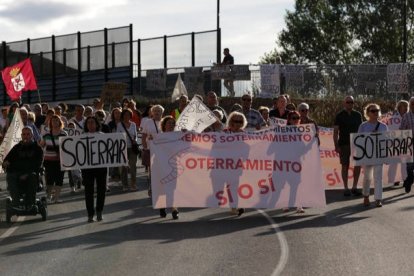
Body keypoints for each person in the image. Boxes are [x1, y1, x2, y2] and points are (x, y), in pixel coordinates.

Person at [3, 127, 43, 210]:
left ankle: (30, 204)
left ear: (32, 135)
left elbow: (38, 165)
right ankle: (16, 203)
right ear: (21, 135)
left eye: (28, 134)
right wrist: (6, 162)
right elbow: (7, 159)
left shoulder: (37, 148)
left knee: (32, 176)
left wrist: (27, 174)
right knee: (10, 176)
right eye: (24, 134)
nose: (26, 136)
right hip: (16, 172)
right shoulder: (16, 147)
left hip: (31, 172)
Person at [358, 103, 388, 207]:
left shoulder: (384, 126)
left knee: (378, 177)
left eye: (377, 110)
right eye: (373, 111)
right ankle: (366, 196)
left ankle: (378, 199)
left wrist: (387, 156)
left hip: (379, 155)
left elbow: (386, 142)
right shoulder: (363, 126)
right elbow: (358, 141)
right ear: (368, 113)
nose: (375, 112)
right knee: (367, 177)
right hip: (367, 155)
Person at [333, 96, 362, 196]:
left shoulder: (358, 115)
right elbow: (335, 132)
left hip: (357, 144)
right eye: (348, 102)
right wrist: (336, 145)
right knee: (345, 165)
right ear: (344, 103)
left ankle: (355, 186)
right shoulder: (339, 115)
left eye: (351, 102)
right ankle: (346, 187)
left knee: (357, 165)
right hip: (344, 144)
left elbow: (361, 130)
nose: (350, 104)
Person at [82, 116, 108, 222]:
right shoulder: (82, 136)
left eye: (92, 122)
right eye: (88, 123)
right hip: (87, 168)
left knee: (101, 190)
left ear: (97, 124)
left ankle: (99, 211)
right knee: (89, 191)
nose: (90, 125)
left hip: (101, 167)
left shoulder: (103, 136)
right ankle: (90, 214)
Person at [39, 115, 67, 203]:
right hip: (48, 161)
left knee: (59, 179)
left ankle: (56, 198)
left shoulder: (64, 134)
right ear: (50, 123)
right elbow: (41, 146)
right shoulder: (46, 134)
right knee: (49, 179)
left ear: (60, 122)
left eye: (56, 120)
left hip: (61, 161)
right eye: (53, 121)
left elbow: (68, 147)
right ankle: (48, 196)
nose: (55, 122)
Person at [224, 111, 247, 216]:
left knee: (236, 185)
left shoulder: (245, 134)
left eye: (240, 121)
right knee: (230, 186)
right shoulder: (224, 133)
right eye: (235, 121)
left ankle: (236, 205)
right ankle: (233, 205)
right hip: (224, 164)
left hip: (239, 164)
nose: (237, 123)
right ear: (231, 121)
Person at [158, 115, 180, 220]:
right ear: (164, 125)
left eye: (173, 123)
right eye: (169, 123)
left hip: (174, 165)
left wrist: (186, 133)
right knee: (163, 188)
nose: (171, 125)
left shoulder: (178, 135)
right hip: (161, 165)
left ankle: (174, 209)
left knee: (173, 189)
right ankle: (162, 206)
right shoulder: (159, 137)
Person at [141, 105, 164, 196]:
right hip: (151, 149)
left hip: (163, 151)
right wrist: (145, 147)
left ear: (162, 113)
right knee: (152, 171)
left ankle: (161, 188)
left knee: (162, 170)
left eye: (159, 111)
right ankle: (152, 188)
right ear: (152, 113)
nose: (157, 113)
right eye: (155, 111)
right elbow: (143, 136)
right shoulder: (148, 122)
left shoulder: (165, 121)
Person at [285, 111, 305, 213]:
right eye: (294, 118)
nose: (296, 120)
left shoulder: (302, 131)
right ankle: (286, 204)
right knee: (286, 184)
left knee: (296, 184)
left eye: (298, 118)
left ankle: (299, 205)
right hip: (285, 161)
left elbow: (303, 147)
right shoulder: (283, 131)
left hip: (297, 160)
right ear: (289, 120)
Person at [117, 108, 139, 191]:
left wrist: (135, 140)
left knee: (133, 166)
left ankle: (133, 184)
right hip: (123, 148)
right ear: (123, 116)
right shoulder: (119, 125)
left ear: (130, 116)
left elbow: (136, 135)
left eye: (128, 115)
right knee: (124, 167)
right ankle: (125, 185)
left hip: (132, 148)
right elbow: (117, 135)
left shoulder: (133, 124)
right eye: (125, 115)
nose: (127, 116)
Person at [400, 97, 414, 193]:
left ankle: (409, 180)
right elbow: (401, 130)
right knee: (409, 166)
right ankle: (409, 180)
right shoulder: (406, 116)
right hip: (409, 144)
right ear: (410, 105)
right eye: (413, 103)